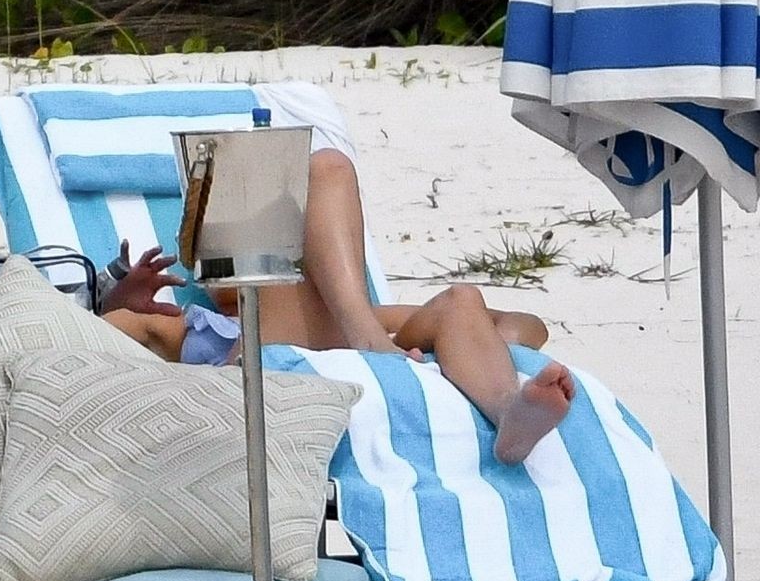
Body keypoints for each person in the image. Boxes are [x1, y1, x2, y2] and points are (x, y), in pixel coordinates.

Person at [100, 148, 575, 466]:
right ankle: (367, 343)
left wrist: (457, 344)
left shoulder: (340, 307)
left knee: (462, 299)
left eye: (255, 236)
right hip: (261, 366)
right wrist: (117, 303)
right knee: (322, 172)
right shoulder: (193, 327)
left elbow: (525, 329)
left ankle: (509, 412)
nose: (242, 246)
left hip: (364, 341)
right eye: (221, 243)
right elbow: (91, 340)